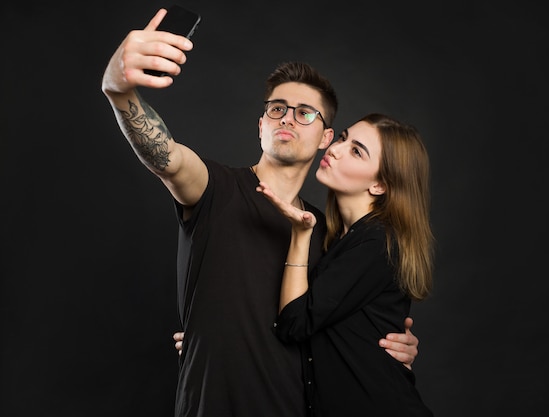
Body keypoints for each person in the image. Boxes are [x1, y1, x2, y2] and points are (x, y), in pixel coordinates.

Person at [101, 7, 420, 417]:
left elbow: (343, 322)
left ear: (325, 138)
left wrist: (396, 345)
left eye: (305, 113)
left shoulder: (326, 234)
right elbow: (167, 158)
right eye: (277, 108)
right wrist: (118, 88)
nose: (288, 117)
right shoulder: (214, 187)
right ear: (260, 125)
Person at [256, 113, 434, 416]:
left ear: (379, 184)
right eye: (343, 138)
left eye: (356, 151)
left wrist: (301, 234)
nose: (335, 149)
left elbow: (294, 323)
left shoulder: (377, 243)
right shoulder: (339, 239)